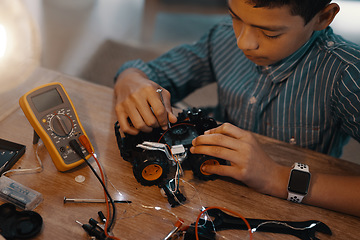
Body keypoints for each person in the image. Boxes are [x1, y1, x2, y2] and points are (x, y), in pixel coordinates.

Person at [114, 0, 360, 216]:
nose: (244, 42)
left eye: (270, 33)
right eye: (235, 17)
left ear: (323, 17)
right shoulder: (223, 35)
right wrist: (130, 79)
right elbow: (148, 75)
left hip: (288, 206)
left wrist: (275, 177)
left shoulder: (348, 77)